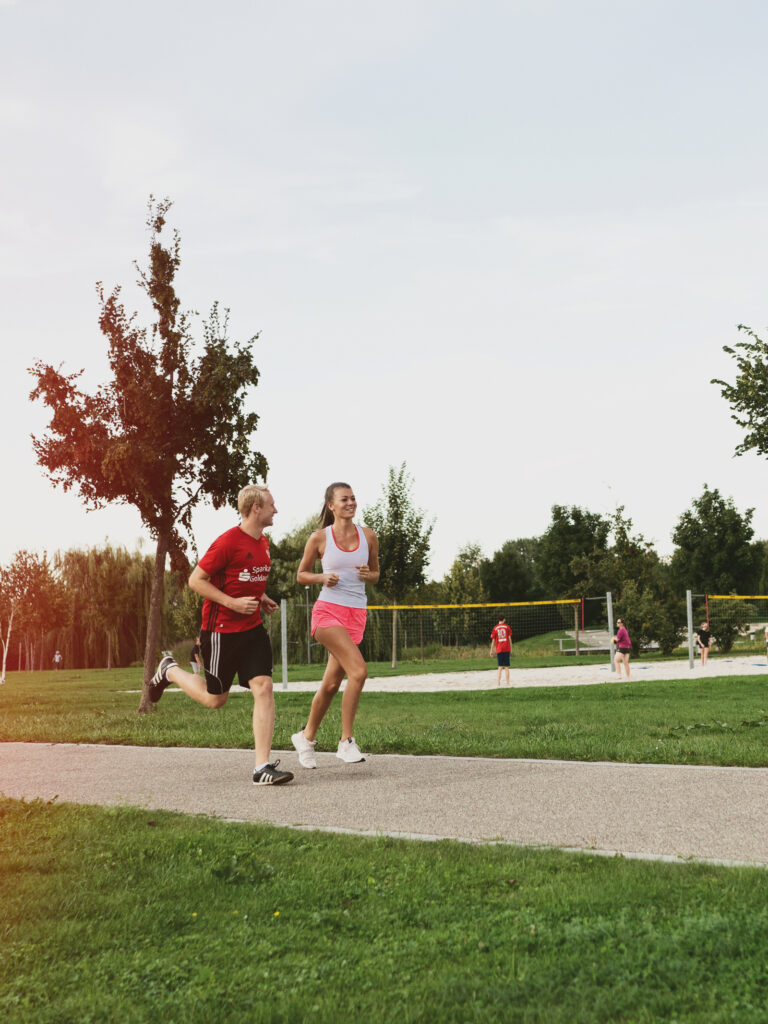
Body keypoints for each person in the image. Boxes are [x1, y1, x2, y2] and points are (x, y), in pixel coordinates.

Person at [148, 484, 293, 786]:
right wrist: (232, 603)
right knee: (216, 700)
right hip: (221, 631)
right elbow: (195, 580)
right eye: (271, 505)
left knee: (264, 687)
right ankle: (170, 670)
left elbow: (244, 576)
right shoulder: (227, 542)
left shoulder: (263, 542)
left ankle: (262, 767)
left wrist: (260, 595)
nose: (276, 510)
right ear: (256, 508)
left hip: (252, 629)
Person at [291, 482, 380, 769]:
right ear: (331, 505)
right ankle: (346, 741)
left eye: (353, 498)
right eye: (344, 499)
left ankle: (305, 737)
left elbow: (376, 574)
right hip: (328, 613)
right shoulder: (319, 538)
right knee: (359, 671)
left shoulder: (368, 536)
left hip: (356, 615)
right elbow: (302, 575)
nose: (351, 502)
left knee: (330, 684)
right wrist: (321, 578)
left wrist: (369, 574)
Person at [490, 617, 513, 686]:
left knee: (500, 667)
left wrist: (491, 650)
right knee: (506, 667)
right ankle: (508, 683)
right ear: (504, 619)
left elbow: (493, 640)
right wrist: (511, 648)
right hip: (506, 648)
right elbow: (509, 639)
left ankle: (498, 683)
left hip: (499, 649)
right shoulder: (507, 627)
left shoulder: (495, 628)